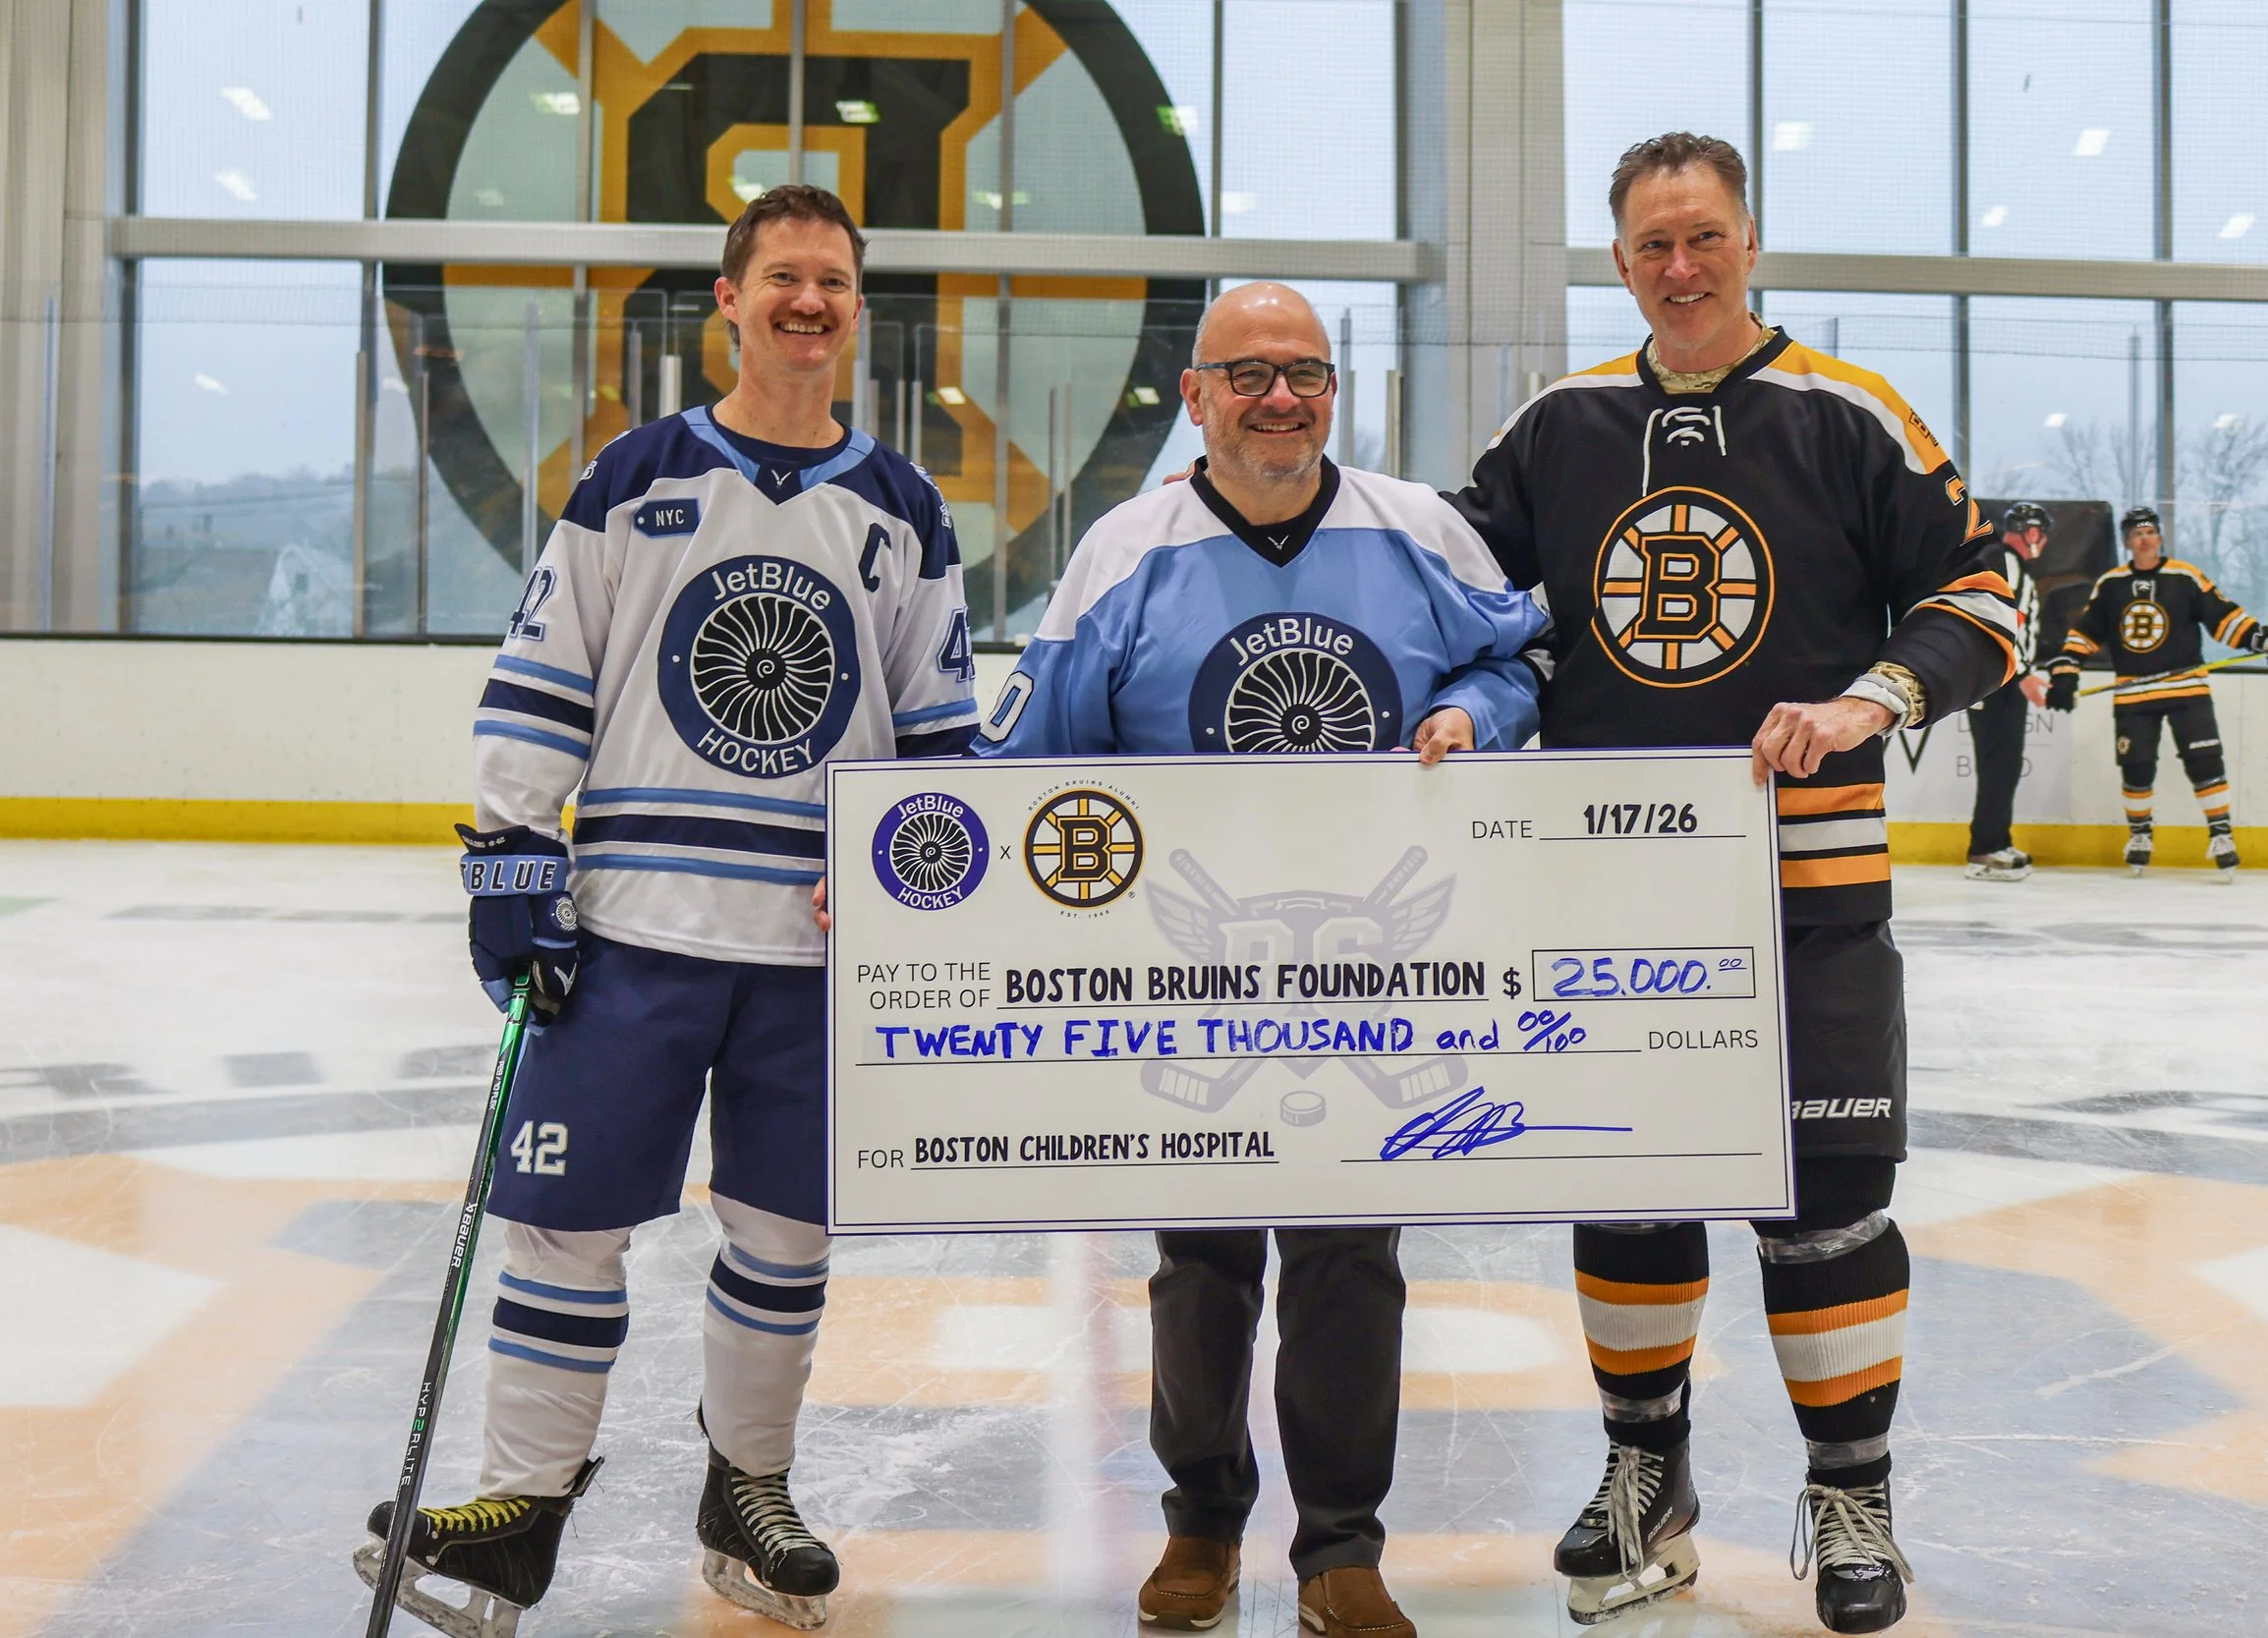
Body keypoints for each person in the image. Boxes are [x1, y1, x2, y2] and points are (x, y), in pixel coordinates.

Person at [358, 185, 979, 1637]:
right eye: (783, 277)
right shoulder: (631, 476)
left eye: (832, 278)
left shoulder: (902, 507)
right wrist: (515, 857)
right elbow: (542, 678)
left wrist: (912, 889)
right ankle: (520, 1502)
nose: (808, 300)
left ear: (854, 307)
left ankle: (746, 1487)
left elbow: (940, 739)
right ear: (729, 299)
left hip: (813, 951)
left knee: (786, 1234)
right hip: (630, 929)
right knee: (561, 1221)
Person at [1447, 132, 2020, 1635]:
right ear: (1619, 259)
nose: (1681, 268)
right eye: (1651, 245)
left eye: (1704, 236)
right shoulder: (1557, 426)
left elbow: (1987, 592)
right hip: (1603, 895)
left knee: (1827, 1202)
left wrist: (1876, 694)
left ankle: (1852, 1495)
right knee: (1627, 1188)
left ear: (1750, 239)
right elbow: (1451, 597)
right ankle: (1652, 1474)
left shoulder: (1846, 414)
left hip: (1809, 892)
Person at [969, 281, 1550, 1638]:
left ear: (1333, 388)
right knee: (1203, 1258)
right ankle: (1202, 1524)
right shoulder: (1126, 550)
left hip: (1375, 964)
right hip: (1192, 971)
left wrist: (1471, 710)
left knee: (1352, 1252)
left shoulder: (1417, 529)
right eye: (1249, 374)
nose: (1279, 396)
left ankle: (1342, 1543)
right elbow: (1030, 751)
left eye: (1304, 370)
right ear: (1196, 396)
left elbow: (1522, 660)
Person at [2043, 504, 2268, 878]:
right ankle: (2141, 835)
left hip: (2186, 688)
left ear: (2159, 537)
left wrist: (2265, 639)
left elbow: (2224, 618)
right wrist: (2066, 670)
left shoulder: (2185, 576)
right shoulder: (2111, 583)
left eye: (2151, 532)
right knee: (2137, 767)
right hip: (2133, 692)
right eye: (2137, 534)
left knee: (2205, 761)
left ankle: (2221, 834)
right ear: (2127, 542)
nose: (2145, 539)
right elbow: (2085, 632)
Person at [1963, 500, 2054, 880]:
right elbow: (2006, 621)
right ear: (2032, 533)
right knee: (1999, 763)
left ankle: (1995, 839)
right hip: (1998, 681)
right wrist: (2025, 675)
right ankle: (1985, 848)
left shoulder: (2009, 564)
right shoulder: (2007, 563)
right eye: (2042, 534)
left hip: (2002, 680)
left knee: (2003, 764)